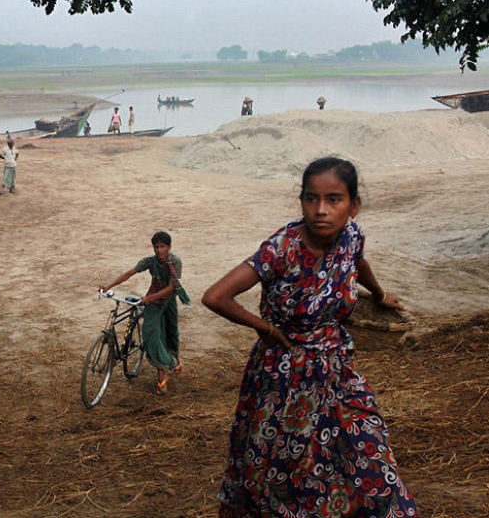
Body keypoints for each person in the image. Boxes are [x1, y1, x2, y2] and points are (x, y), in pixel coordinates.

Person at [201, 157, 417, 517]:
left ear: (354, 205)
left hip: (337, 371)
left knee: (368, 452)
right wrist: (266, 328)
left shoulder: (351, 237)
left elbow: (357, 263)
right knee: (284, 473)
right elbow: (215, 296)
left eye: (334, 199)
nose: (321, 210)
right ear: (301, 201)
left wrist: (379, 294)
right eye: (310, 199)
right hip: (282, 376)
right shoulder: (281, 247)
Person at [99, 231, 187, 395]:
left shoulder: (175, 261)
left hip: (167, 300)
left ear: (169, 247)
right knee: (151, 335)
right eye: (156, 247)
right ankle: (162, 375)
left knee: (171, 332)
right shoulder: (150, 261)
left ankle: (174, 360)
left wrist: (150, 297)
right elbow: (129, 273)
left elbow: (171, 287)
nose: (159, 250)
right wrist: (109, 286)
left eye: (163, 247)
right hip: (153, 301)